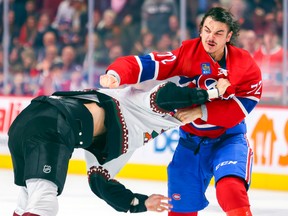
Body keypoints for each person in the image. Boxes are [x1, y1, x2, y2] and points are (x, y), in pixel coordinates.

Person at [100, 7, 262, 216]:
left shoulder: (244, 64)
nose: (211, 37)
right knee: (180, 209)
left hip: (228, 140)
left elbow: (241, 107)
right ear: (201, 30)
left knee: (230, 190)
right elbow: (150, 64)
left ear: (228, 36)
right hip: (191, 144)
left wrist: (200, 112)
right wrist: (116, 73)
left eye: (218, 33)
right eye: (207, 30)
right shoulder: (188, 54)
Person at [8, 77, 230, 215]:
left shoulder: (120, 146)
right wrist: (213, 93)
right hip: (54, 124)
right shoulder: (142, 100)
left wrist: (141, 203)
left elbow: (100, 183)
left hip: (27, 121)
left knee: (28, 197)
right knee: (43, 203)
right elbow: (167, 96)